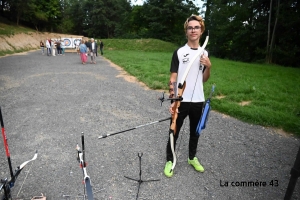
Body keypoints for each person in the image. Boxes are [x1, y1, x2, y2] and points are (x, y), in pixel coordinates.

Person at [163, 14, 212, 178]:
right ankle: (170, 160)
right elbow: (173, 78)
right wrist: (173, 99)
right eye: (190, 27)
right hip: (181, 100)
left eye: (196, 27)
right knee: (173, 131)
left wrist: (209, 67)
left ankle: (192, 157)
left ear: (201, 30)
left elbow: (204, 79)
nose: (193, 30)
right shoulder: (179, 52)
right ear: (186, 31)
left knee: (195, 132)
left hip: (198, 100)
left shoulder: (204, 53)